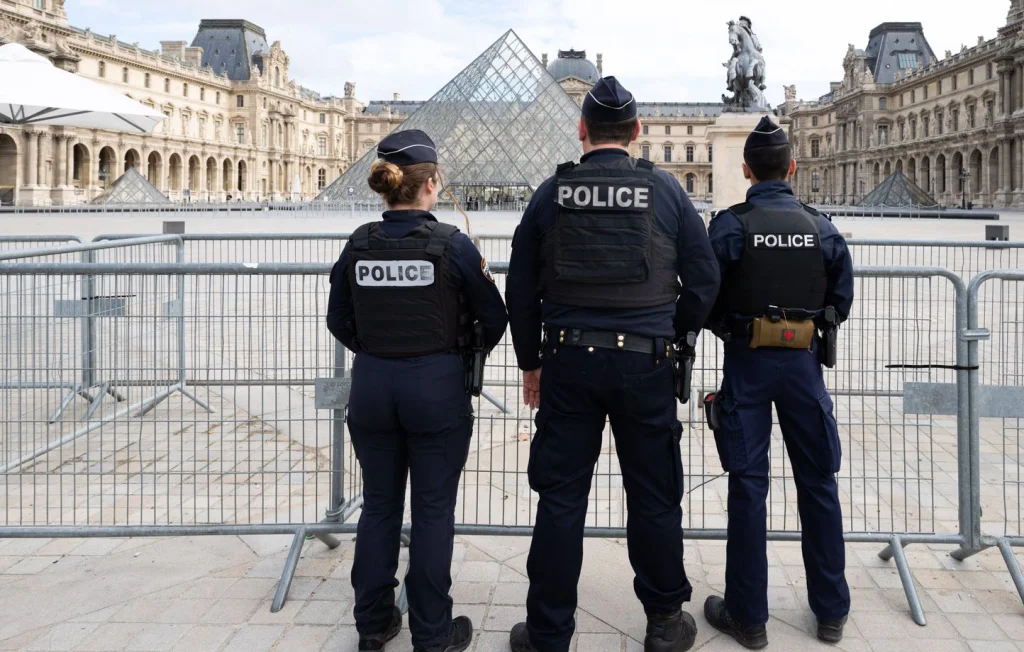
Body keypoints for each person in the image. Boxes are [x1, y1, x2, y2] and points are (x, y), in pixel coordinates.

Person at [505, 76, 721, 652]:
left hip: (569, 361)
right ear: (638, 133)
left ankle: (549, 631)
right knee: (654, 495)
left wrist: (531, 363)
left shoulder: (552, 192)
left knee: (561, 498)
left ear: (581, 132)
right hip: (646, 364)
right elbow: (704, 280)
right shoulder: (669, 194)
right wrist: (674, 332)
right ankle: (663, 623)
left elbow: (520, 290)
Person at [326, 129, 509, 652]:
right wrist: (454, 352)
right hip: (435, 385)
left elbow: (337, 318)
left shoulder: (359, 243)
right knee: (432, 511)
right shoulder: (452, 244)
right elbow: (494, 318)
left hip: (373, 385)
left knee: (380, 506)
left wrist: (376, 347)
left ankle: (373, 625)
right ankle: (432, 633)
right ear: (431, 185)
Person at [702, 116, 854, 648]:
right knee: (818, 482)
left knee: (748, 487)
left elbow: (705, 290)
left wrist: (732, 329)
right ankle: (831, 610)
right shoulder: (821, 224)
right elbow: (842, 299)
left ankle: (749, 616)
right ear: (793, 167)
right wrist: (810, 328)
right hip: (804, 365)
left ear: (746, 170)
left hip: (747, 361)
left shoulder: (730, 224)